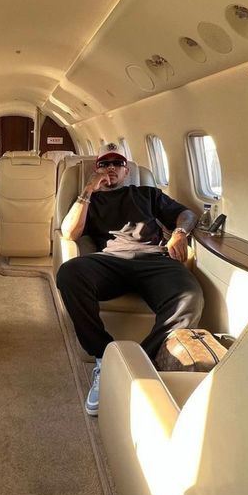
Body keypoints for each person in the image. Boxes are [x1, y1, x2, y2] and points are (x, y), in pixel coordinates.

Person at [56, 144, 203, 414]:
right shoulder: (90, 200)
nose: (111, 167)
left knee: (190, 296)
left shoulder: (147, 194)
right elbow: (69, 233)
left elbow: (188, 213)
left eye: (117, 163)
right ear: (96, 170)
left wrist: (179, 232)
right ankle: (104, 355)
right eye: (104, 164)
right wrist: (89, 190)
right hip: (110, 261)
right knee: (69, 273)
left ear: (126, 172)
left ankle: (137, 365)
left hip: (154, 260)